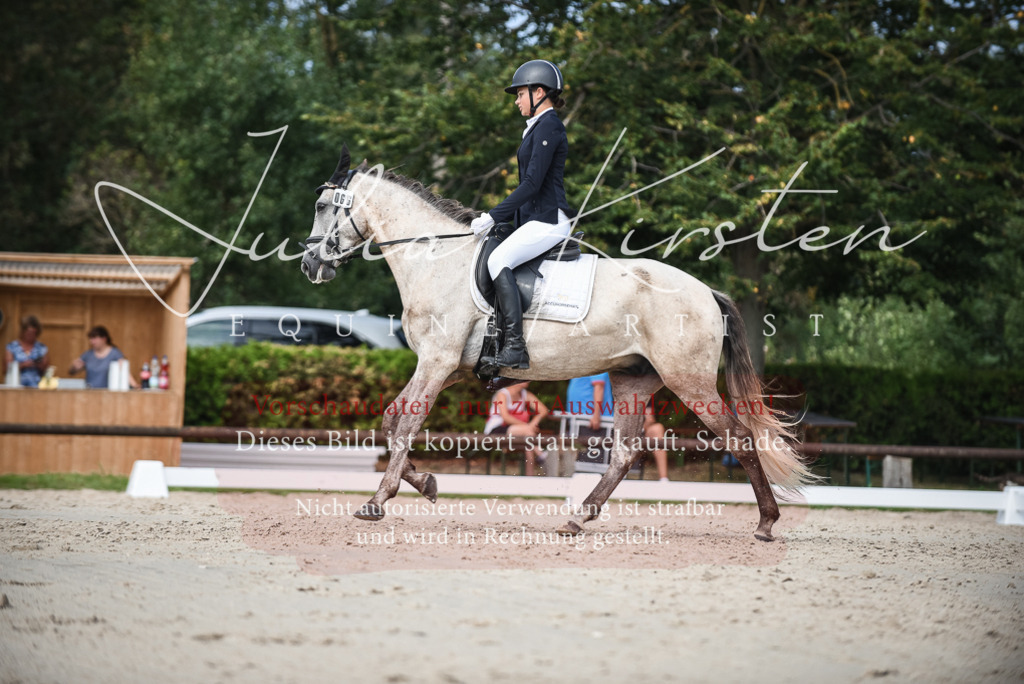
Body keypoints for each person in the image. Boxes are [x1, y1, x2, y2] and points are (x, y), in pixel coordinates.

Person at [471, 59, 574, 370]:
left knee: (497, 260)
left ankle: (516, 346)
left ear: (538, 92)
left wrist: (492, 215)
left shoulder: (549, 126)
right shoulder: (537, 128)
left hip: (549, 220)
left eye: (519, 94)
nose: (516, 101)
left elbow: (531, 185)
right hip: (533, 220)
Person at [483, 380, 550, 476]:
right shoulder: (502, 394)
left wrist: (534, 423)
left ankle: (530, 475)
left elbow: (543, 410)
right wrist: (527, 426)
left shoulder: (525, 394)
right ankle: (542, 455)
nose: (528, 379)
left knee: (529, 441)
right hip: (496, 430)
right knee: (528, 434)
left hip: (517, 430)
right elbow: (505, 417)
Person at [68, 326, 139, 389]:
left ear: (104, 339)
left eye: (94, 338)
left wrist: (134, 385)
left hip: (107, 393)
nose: (92, 341)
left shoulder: (114, 353)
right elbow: (71, 371)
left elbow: (124, 371)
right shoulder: (88, 354)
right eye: (90, 338)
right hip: (89, 392)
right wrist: (75, 367)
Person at [4, 315, 50, 388]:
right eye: (28, 333)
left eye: (33, 333)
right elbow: (7, 368)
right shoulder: (12, 346)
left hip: (36, 385)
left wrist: (39, 365)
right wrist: (23, 365)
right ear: (23, 332)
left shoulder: (41, 348)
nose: (31, 336)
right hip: (16, 385)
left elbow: (47, 370)